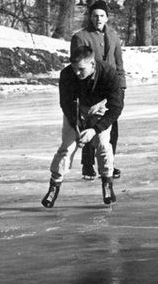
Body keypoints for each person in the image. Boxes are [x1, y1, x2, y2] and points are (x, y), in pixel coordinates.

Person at [41, 44, 123, 209]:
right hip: (76, 110)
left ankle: (107, 183)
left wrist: (95, 129)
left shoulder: (109, 75)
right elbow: (65, 103)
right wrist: (77, 128)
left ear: (92, 64)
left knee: (102, 144)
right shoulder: (67, 74)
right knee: (67, 147)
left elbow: (116, 107)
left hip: (100, 108)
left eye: (81, 69)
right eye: (74, 69)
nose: (77, 73)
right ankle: (54, 186)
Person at [70, 0, 125, 180]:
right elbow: (77, 66)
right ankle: (87, 165)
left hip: (110, 87)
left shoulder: (114, 36)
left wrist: (121, 87)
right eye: (95, 15)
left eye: (102, 15)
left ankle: (110, 162)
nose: (98, 19)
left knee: (110, 126)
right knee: (89, 127)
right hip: (90, 88)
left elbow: (118, 64)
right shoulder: (81, 37)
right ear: (90, 17)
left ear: (107, 17)